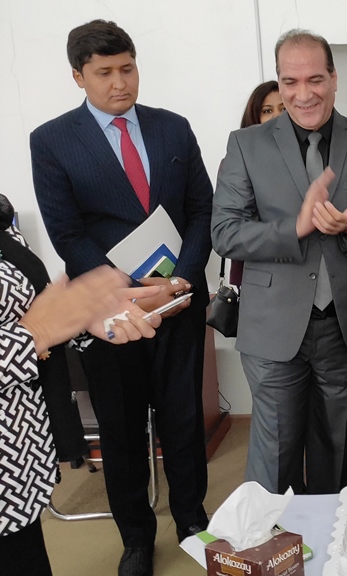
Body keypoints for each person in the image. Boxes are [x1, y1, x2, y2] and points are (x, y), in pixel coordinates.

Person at [29, 20, 213, 576]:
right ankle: (136, 538)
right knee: (122, 429)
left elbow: (201, 209)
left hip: (177, 302)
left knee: (183, 421)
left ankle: (192, 522)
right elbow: (67, 233)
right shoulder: (52, 140)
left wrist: (183, 277)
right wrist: (123, 291)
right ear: (78, 77)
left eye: (127, 69)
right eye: (104, 73)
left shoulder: (173, 128)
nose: (119, 82)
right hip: (110, 314)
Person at [212, 29, 347, 494]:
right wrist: (294, 228)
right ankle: (272, 539)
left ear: (335, 78)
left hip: (346, 326)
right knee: (274, 456)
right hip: (273, 326)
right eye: (291, 81)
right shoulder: (246, 144)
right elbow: (224, 233)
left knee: (337, 454)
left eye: (315, 79)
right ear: (279, 83)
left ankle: (328, 539)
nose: (304, 94)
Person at [0, 205, 162, 576]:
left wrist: (83, 316)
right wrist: (33, 335)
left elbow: (24, 309)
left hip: (17, 472)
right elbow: (31, 329)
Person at [230, 80, 286, 287]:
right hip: (257, 277)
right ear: (254, 117)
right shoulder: (237, 162)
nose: (277, 116)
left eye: (283, 109)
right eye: (267, 110)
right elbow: (233, 228)